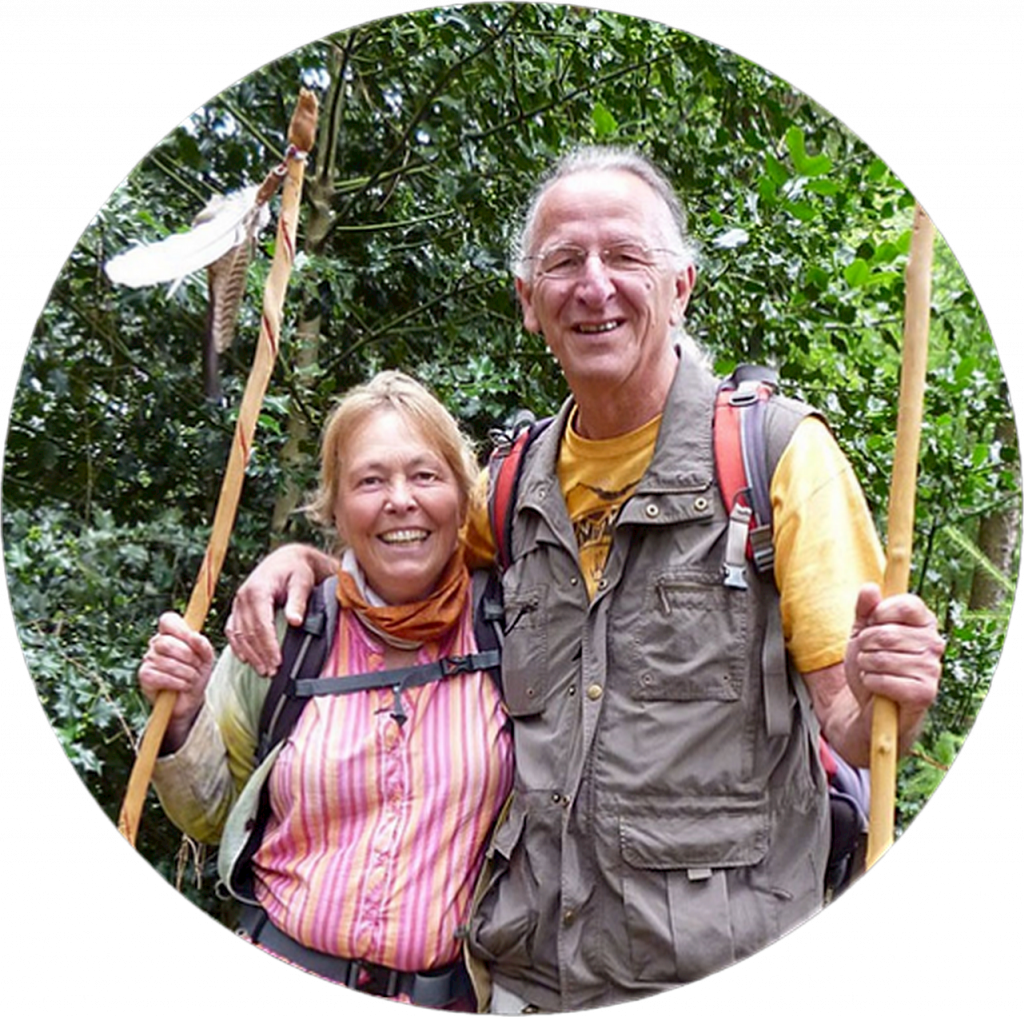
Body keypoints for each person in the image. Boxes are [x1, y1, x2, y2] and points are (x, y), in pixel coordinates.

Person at [224, 147, 944, 1011]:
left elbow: (858, 730)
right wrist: (309, 564)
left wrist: (891, 687)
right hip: (524, 982)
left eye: (625, 255)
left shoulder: (776, 457)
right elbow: (401, 564)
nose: (594, 285)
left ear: (680, 286)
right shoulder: (508, 487)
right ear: (529, 303)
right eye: (564, 261)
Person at [138, 371, 514, 1008]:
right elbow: (209, 816)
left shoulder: (513, 627)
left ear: (462, 496)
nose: (400, 500)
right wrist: (184, 712)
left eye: (425, 475)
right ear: (335, 508)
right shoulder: (285, 633)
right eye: (370, 481)